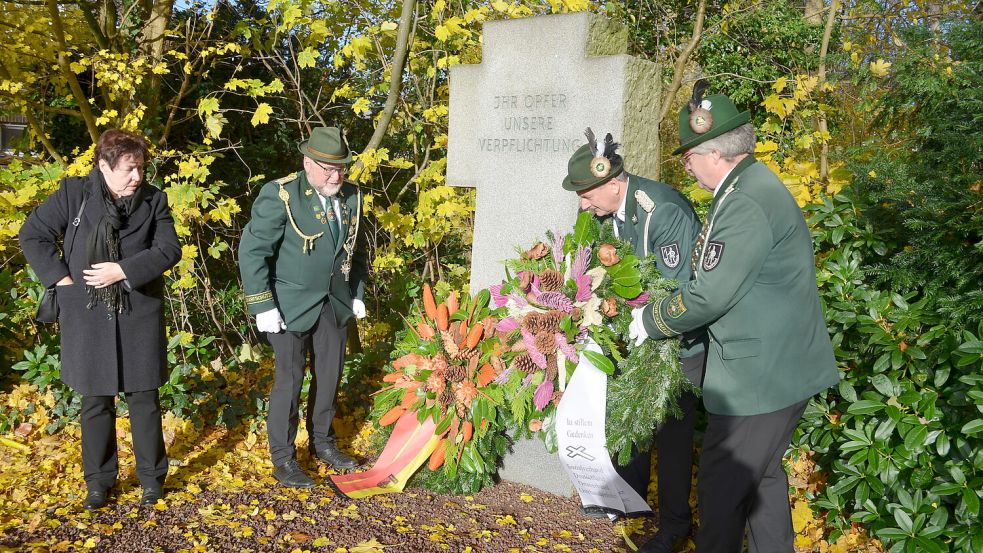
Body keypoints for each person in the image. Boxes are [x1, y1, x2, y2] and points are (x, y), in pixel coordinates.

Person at [629, 85, 840, 552]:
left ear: (714, 154)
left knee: (722, 492)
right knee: (761, 482)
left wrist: (651, 320)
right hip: (777, 370)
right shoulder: (748, 185)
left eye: (688, 156)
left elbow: (709, 294)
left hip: (759, 379)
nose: (685, 166)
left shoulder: (743, 201)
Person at [19, 129, 182, 510]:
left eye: (141, 167)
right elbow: (34, 234)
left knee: (144, 399)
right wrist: (62, 281)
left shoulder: (154, 200)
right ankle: (99, 482)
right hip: (87, 313)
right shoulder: (74, 194)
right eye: (129, 169)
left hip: (139, 311)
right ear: (104, 166)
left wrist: (123, 270)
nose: (138, 176)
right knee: (95, 401)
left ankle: (152, 480)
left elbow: (168, 249)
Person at [562, 128, 706, 550]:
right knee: (631, 422)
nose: (583, 205)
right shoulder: (605, 214)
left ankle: (676, 526)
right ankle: (631, 502)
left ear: (611, 182)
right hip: (634, 337)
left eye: (587, 195)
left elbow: (678, 287)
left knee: (671, 435)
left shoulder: (662, 211)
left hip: (678, 342)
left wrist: (638, 320)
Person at [238, 126, 369, 488]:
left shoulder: (352, 197)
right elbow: (253, 252)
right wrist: (262, 303)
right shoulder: (280, 194)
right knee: (290, 381)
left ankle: (323, 444)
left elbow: (357, 250)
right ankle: (283, 458)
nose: (336, 176)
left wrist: (357, 292)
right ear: (307, 163)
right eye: (327, 168)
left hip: (334, 302)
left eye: (341, 168)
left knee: (329, 378)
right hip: (288, 305)